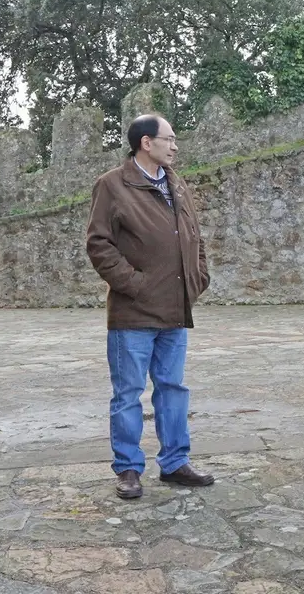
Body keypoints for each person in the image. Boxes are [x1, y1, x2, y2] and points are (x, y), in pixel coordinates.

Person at [85, 114, 215, 500]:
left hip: (176, 310)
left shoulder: (176, 184)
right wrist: (134, 284)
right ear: (146, 142)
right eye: (169, 139)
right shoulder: (112, 185)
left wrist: (198, 277)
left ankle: (175, 462)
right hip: (133, 313)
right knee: (128, 393)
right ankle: (128, 468)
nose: (175, 146)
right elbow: (98, 244)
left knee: (173, 388)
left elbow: (194, 236)